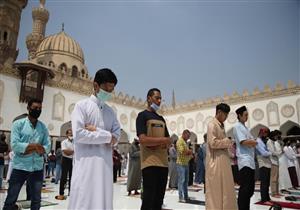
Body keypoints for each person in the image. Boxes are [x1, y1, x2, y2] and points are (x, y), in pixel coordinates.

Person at [68, 68, 120, 210]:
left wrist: (96, 131)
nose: (108, 93)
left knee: (102, 201)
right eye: (106, 89)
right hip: (86, 166)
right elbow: (79, 135)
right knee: (83, 201)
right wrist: (107, 136)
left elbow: (116, 137)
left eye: (111, 90)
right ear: (96, 86)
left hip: (105, 168)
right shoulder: (82, 106)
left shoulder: (111, 112)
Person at [3, 98, 50, 210]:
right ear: (28, 108)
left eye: (39, 108)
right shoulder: (18, 124)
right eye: (35, 108)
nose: (37, 110)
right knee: (11, 199)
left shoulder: (43, 127)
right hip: (20, 167)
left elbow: (47, 147)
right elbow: (15, 145)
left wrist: (27, 148)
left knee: (36, 201)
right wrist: (34, 146)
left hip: (37, 168)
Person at [136, 88, 171, 210]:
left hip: (163, 163)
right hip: (149, 163)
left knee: (159, 199)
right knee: (148, 199)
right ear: (149, 98)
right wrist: (161, 141)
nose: (159, 101)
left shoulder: (161, 119)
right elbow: (143, 140)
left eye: (161, 98)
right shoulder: (142, 116)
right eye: (157, 98)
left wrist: (158, 143)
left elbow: (168, 140)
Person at [205, 103, 237, 210]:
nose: (226, 117)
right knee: (216, 191)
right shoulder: (212, 124)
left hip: (223, 161)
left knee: (225, 189)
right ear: (219, 112)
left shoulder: (220, 125)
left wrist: (226, 142)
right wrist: (227, 141)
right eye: (225, 115)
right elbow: (212, 143)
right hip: (216, 162)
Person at [233, 105, 257, 210]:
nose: (247, 117)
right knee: (245, 189)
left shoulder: (245, 128)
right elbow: (244, 142)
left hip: (250, 161)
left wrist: (253, 142)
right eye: (245, 115)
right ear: (239, 115)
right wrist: (254, 142)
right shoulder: (237, 127)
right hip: (244, 160)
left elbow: (251, 142)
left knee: (250, 189)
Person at [55, 129, 74, 200]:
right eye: (69, 134)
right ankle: (61, 193)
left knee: (72, 177)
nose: (71, 135)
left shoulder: (75, 142)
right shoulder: (64, 142)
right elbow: (65, 152)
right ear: (66, 135)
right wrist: (73, 151)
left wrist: (71, 151)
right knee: (64, 177)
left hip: (73, 160)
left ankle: (71, 192)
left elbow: (75, 151)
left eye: (72, 134)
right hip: (66, 160)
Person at [256, 128, 272, 204]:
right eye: (266, 134)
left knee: (267, 182)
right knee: (264, 182)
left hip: (267, 163)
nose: (266, 135)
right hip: (263, 164)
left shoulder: (262, 141)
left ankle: (267, 197)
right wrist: (271, 152)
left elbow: (266, 152)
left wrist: (268, 152)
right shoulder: (258, 141)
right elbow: (264, 153)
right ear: (262, 133)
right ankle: (264, 199)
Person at [176, 130, 192, 202]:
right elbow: (182, 151)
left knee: (186, 181)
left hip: (185, 163)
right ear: (184, 134)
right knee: (181, 181)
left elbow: (187, 152)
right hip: (181, 164)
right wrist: (189, 152)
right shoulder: (180, 141)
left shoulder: (185, 142)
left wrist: (189, 152)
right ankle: (180, 197)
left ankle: (186, 196)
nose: (188, 138)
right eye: (188, 136)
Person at [267, 130, 283, 197]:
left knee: (276, 178)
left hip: (276, 161)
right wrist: (280, 152)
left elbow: (276, 152)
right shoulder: (269, 142)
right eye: (277, 136)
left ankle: (277, 191)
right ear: (273, 135)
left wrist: (279, 152)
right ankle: (274, 193)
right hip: (273, 162)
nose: (277, 137)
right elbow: (273, 153)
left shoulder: (273, 142)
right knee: (274, 178)